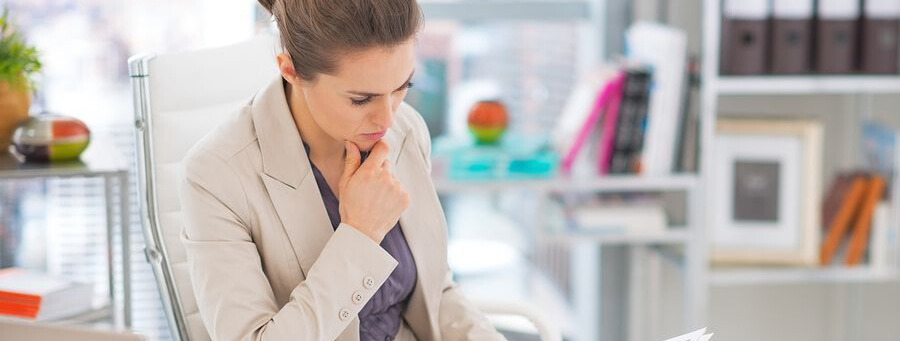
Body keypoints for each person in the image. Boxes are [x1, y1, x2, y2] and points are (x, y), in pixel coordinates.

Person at [178, 0, 507, 340]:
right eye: (361, 99)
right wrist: (360, 236)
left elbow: (435, 293)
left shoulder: (406, 129)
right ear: (290, 71)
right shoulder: (215, 176)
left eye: (402, 87)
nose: (388, 119)